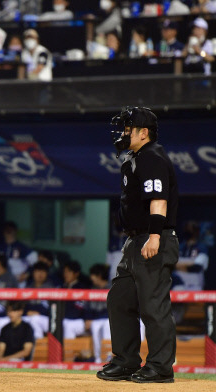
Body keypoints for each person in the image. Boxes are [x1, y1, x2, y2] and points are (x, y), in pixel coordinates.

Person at [97, 106, 178, 383]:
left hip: (154, 238)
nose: (122, 133)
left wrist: (154, 235)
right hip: (135, 240)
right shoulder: (135, 158)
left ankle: (160, 367)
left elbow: (159, 200)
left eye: (127, 128)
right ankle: (126, 360)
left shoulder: (152, 156)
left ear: (144, 133)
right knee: (119, 299)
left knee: (153, 307)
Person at [0, 221, 37, 286]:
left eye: (11, 230)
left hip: (20, 283)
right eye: (7, 230)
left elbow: (36, 263)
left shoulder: (24, 248)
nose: (9, 232)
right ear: (3, 232)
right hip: (0, 282)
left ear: (15, 231)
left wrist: (27, 274)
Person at [85, 264, 111, 363]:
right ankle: (98, 359)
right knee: (95, 326)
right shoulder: (93, 288)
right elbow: (87, 308)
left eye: (93, 275)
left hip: (108, 318)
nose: (91, 277)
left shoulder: (112, 286)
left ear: (99, 275)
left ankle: (108, 357)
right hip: (96, 319)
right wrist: (88, 318)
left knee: (106, 325)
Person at [176, 220, 210, 290]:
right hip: (179, 284)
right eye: (187, 229)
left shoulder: (201, 248)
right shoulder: (179, 247)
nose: (189, 231)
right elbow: (173, 264)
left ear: (196, 231)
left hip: (195, 285)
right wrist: (189, 264)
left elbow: (198, 265)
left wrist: (181, 265)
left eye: (191, 229)